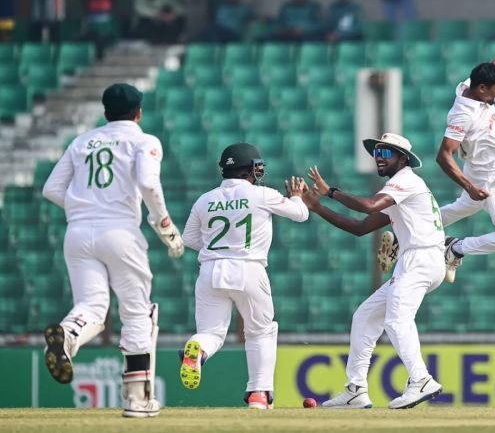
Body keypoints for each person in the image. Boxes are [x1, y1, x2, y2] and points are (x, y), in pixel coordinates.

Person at [41, 83, 185, 418]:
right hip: (120, 231)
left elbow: (51, 189)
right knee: (136, 312)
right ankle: (136, 400)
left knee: (91, 306)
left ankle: (67, 336)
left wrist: (83, 208)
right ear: (139, 112)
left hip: (77, 232)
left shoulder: (81, 141)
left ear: (105, 112)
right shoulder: (143, 140)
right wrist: (165, 227)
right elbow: (149, 184)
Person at [301, 133, 445, 409]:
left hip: (420, 259)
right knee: (365, 317)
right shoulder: (399, 191)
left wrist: (330, 191)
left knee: (397, 321)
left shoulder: (405, 180)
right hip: (419, 260)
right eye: (377, 152)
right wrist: (318, 208)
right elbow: (360, 227)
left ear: (403, 159)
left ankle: (421, 379)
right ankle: (355, 389)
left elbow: (368, 205)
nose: (379, 157)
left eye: (386, 153)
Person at [379, 29, 495, 282]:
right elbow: (443, 156)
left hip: (481, 172)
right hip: (488, 180)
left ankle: (402, 234)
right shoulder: (463, 114)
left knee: (460, 208)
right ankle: (455, 248)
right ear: (483, 88)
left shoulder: (470, 86)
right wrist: (470, 186)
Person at [178, 143, 309, 410]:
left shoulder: (205, 199)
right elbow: (301, 214)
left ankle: (196, 349)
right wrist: (296, 196)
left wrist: (219, 246)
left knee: (211, 333)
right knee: (260, 331)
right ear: (250, 169)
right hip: (249, 269)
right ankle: (258, 394)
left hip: (210, 271)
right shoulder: (262, 194)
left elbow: (189, 239)